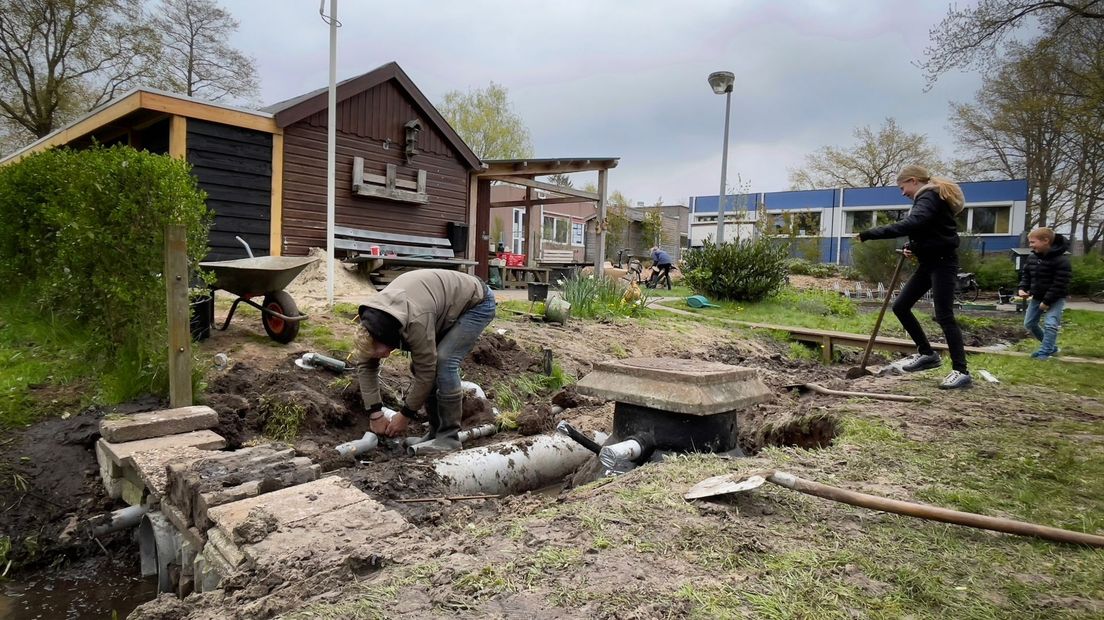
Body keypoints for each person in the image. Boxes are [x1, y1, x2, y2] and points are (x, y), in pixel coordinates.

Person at [355, 269, 496, 454]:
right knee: (421, 364)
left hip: (476, 302)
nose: (384, 357)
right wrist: (375, 413)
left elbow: (427, 372)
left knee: (444, 362)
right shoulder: (371, 325)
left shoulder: (415, 322)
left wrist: (405, 415)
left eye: (381, 352)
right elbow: (366, 365)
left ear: (387, 338)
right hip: (436, 304)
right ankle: (435, 433)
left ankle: (449, 438)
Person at [857, 164, 971, 389]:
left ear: (913, 181)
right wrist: (914, 246)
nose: (903, 193)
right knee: (901, 306)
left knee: (944, 316)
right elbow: (931, 230)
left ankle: (961, 371)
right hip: (929, 263)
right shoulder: (929, 198)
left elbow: (913, 223)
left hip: (942, 264)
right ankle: (928, 355)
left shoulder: (929, 195)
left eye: (903, 187)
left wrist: (869, 234)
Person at [1017, 227, 1071, 360]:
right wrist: (1023, 288)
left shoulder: (1061, 261)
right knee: (1029, 323)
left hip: (1055, 299)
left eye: (1033, 242)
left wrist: (1046, 302)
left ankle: (1045, 352)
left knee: (1050, 324)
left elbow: (1060, 284)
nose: (1030, 245)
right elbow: (1026, 275)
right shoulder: (1032, 258)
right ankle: (1051, 347)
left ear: (1046, 241)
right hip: (1037, 297)